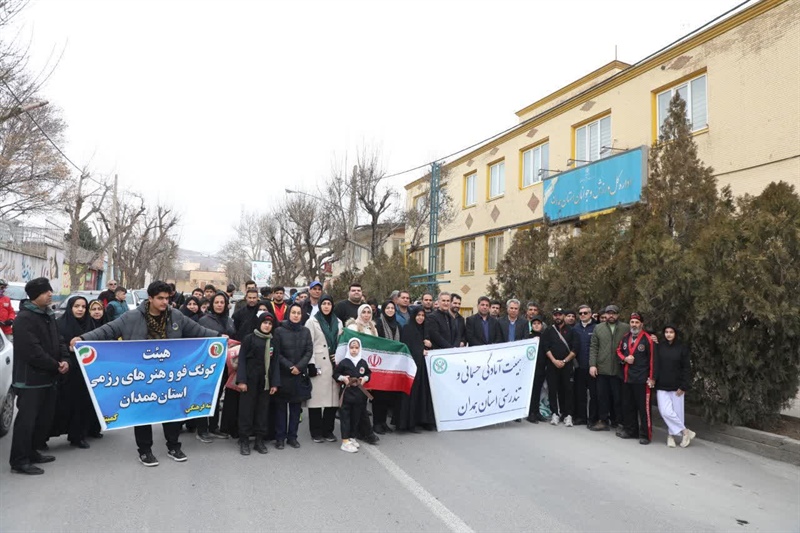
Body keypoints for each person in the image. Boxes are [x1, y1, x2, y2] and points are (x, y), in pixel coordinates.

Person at [75, 280, 220, 467]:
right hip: (141, 375)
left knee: (171, 410)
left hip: (169, 375)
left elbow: (199, 331)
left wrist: (219, 338)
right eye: (160, 298)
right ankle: (144, 451)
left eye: (167, 298)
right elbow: (108, 330)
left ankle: (174, 446)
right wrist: (83, 339)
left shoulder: (176, 316)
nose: (164, 302)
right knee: (142, 413)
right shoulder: (132, 317)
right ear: (150, 298)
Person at [9, 278, 68, 475]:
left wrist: (64, 359)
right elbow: (31, 351)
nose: (50, 294)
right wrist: (55, 365)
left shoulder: (48, 315)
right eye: (45, 292)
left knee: (42, 419)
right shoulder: (24, 318)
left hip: (48, 377)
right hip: (29, 380)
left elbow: (58, 340)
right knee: (26, 422)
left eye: (50, 290)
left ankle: (32, 452)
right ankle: (19, 460)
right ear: (34, 295)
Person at [52, 296, 95, 449]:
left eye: (83, 307)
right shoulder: (60, 324)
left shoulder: (91, 325)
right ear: (71, 307)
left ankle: (78, 436)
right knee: (61, 404)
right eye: (77, 306)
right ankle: (45, 436)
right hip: (67, 371)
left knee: (82, 405)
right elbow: (56, 345)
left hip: (85, 372)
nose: (80, 309)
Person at [236, 313, 280, 455]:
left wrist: (274, 383)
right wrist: (241, 380)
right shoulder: (249, 339)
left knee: (262, 411)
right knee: (246, 411)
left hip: (265, 382)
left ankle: (259, 440)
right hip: (249, 380)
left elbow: (275, 363)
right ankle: (244, 440)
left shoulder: (273, 341)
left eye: (270, 324)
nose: (267, 326)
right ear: (259, 323)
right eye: (265, 323)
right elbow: (241, 360)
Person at [196, 292, 237, 441]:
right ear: (212, 304)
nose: (219, 305)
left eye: (222, 302)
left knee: (217, 395)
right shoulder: (204, 321)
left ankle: (213, 427)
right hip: (208, 365)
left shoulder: (230, 320)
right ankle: (202, 429)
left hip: (225, 364)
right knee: (205, 395)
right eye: (216, 302)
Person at [272, 303, 313, 450]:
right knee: (281, 409)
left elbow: (309, 351)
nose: (296, 315)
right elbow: (277, 353)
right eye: (293, 312)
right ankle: (280, 438)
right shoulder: (278, 331)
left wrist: (299, 367)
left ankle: (292, 437)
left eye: (298, 313)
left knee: (296, 409)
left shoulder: (306, 331)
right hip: (283, 375)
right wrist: (290, 366)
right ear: (288, 314)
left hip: (299, 376)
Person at [305, 295, 342, 443]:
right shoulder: (312, 321)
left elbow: (341, 342)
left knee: (332, 400)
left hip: (334, 364)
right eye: (324, 303)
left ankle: (328, 430)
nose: (326, 306)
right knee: (316, 400)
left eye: (329, 303)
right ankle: (316, 431)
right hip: (319, 363)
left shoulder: (338, 322)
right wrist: (311, 364)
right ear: (320, 305)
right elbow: (309, 344)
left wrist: (338, 356)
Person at [342, 303, 380, 444]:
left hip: (367, 367)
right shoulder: (352, 328)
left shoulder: (373, 329)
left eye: (368, 312)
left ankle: (360, 431)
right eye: (363, 312)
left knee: (362, 403)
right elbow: (347, 344)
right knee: (358, 404)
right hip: (353, 368)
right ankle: (367, 433)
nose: (366, 315)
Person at [588, 305, 630, 432]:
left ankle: (618, 421)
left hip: (619, 368)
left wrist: (653, 337)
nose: (611, 316)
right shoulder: (598, 328)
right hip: (602, 368)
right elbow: (594, 347)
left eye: (613, 313)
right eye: (608, 313)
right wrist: (592, 365)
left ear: (618, 315)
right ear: (605, 315)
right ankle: (603, 420)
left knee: (618, 397)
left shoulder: (625, 328)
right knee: (602, 396)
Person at [616, 312, 655, 445]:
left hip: (642, 379)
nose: (634, 325)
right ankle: (631, 430)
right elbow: (618, 351)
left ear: (641, 324)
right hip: (627, 378)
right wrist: (625, 359)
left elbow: (652, 360)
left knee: (643, 408)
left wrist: (651, 378)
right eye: (632, 322)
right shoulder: (625, 337)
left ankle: (645, 434)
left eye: (637, 322)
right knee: (628, 406)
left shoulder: (648, 339)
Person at [395, 307, 435, 432]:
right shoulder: (407, 328)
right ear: (413, 316)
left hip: (424, 368)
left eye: (423, 315)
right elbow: (407, 347)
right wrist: (420, 351)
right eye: (418, 315)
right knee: (412, 395)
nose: (421, 317)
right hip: (412, 366)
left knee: (423, 394)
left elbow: (429, 345)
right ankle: (409, 423)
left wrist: (429, 345)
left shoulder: (425, 329)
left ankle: (423, 421)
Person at [655, 325, 695, 448]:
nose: (668, 334)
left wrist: (683, 386)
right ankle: (685, 431)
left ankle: (671, 436)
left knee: (677, 413)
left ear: (675, 333)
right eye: (666, 332)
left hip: (677, 387)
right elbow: (655, 364)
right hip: (662, 385)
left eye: (671, 332)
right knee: (665, 412)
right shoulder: (660, 347)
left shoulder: (682, 348)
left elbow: (686, 369)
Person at [541, 307, 579, 426]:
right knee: (553, 390)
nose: (558, 317)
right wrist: (554, 360)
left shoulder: (572, 331)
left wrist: (564, 361)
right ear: (553, 317)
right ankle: (555, 414)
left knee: (568, 390)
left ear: (563, 316)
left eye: (560, 314)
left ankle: (568, 415)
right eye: (555, 315)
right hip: (552, 365)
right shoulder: (548, 331)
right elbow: (545, 347)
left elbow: (575, 349)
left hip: (567, 365)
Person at [334, 338, 372, 453]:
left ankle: (352, 437)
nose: (354, 350)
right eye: (352, 348)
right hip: (347, 394)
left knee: (356, 417)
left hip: (359, 395)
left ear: (359, 349)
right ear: (348, 348)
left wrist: (365, 378)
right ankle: (345, 441)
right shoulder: (344, 362)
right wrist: (343, 378)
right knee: (345, 417)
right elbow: (336, 373)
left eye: (356, 348)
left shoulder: (362, 362)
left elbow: (368, 373)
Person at [373, 300, 401, 435]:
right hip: (381, 364)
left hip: (393, 365)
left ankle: (384, 422)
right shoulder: (378, 324)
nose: (390, 310)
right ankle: (376, 423)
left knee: (388, 396)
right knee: (378, 395)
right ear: (383, 310)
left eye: (392, 308)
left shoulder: (397, 324)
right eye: (388, 308)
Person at [573, 304, 597, 426]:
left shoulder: (596, 327)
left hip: (593, 367)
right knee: (580, 393)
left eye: (585, 313)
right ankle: (582, 417)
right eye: (581, 313)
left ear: (590, 314)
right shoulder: (575, 328)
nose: (583, 315)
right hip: (579, 366)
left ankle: (592, 419)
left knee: (593, 395)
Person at [526, 315, 549, 423]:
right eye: (534, 323)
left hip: (541, 367)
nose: (536, 325)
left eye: (538, 324)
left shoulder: (545, 337)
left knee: (538, 391)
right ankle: (530, 413)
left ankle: (537, 411)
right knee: (531, 391)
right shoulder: (528, 337)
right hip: (530, 368)